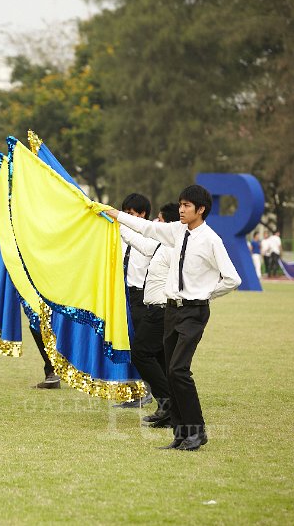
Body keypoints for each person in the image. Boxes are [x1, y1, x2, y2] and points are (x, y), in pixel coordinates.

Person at [105, 185, 241, 451]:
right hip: (171, 310)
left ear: (200, 210)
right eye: (180, 204)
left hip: (193, 311)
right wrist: (114, 214)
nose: (181, 209)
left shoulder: (211, 240)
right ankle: (180, 434)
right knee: (170, 369)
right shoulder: (177, 232)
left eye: (187, 206)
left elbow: (232, 279)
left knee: (179, 370)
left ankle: (196, 431)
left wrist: (203, 294)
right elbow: (146, 229)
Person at [118, 202, 180, 428]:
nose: (157, 224)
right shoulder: (162, 246)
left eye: (161, 221)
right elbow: (139, 242)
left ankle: (167, 402)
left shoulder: (173, 248)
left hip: (161, 310)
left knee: (141, 354)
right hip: (158, 310)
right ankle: (170, 409)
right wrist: (116, 221)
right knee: (163, 359)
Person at [113, 193, 154, 409]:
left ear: (142, 214)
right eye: (125, 213)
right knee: (124, 343)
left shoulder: (152, 237)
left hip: (141, 296)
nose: (127, 217)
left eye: (131, 214)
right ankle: (130, 392)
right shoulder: (118, 235)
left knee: (141, 346)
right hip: (122, 293)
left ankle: (146, 391)